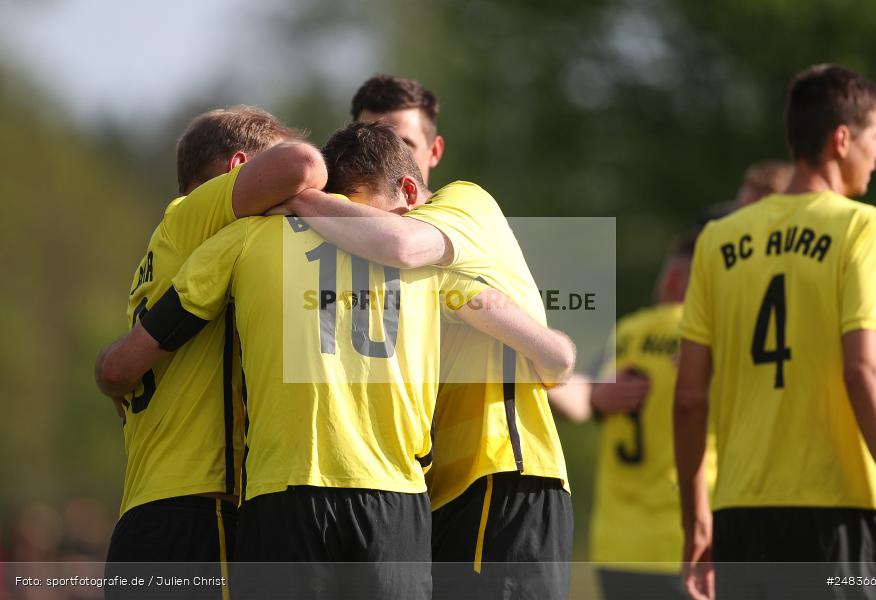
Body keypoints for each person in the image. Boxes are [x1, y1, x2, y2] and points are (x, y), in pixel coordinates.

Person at [97, 122, 576, 599]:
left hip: (277, 494)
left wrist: (112, 374)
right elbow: (553, 353)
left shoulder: (240, 238)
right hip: (395, 499)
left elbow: (136, 353)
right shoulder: (433, 268)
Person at [279, 74, 572, 600]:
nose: (381, 151)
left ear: (429, 154)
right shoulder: (350, 244)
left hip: (498, 474)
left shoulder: (462, 206)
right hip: (427, 493)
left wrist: (295, 199)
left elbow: (406, 247)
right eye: (368, 138)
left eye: (400, 140)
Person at [675, 64, 876, 600]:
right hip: (837, 514)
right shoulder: (861, 225)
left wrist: (697, 516)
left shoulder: (717, 239)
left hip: (740, 516)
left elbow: (688, 399)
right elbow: (863, 370)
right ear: (842, 139)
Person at [95, 106, 326, 576]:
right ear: (239, 169)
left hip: (146, 514)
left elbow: (117, 367)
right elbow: (302, 166)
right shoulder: (197, 215)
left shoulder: (163, 251)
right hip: (198, 515)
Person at [549, 233, 714, 600]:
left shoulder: (628, 332)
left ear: (670, 278)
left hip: (617, 543)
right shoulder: (708, 335)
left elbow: (581, 397)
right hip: (688, 539)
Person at [351, 74, 445, 189]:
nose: (385, 163)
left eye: (403, 146)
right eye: (370, 145)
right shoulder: (330, 200)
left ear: (435, 151)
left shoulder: (465, 203)